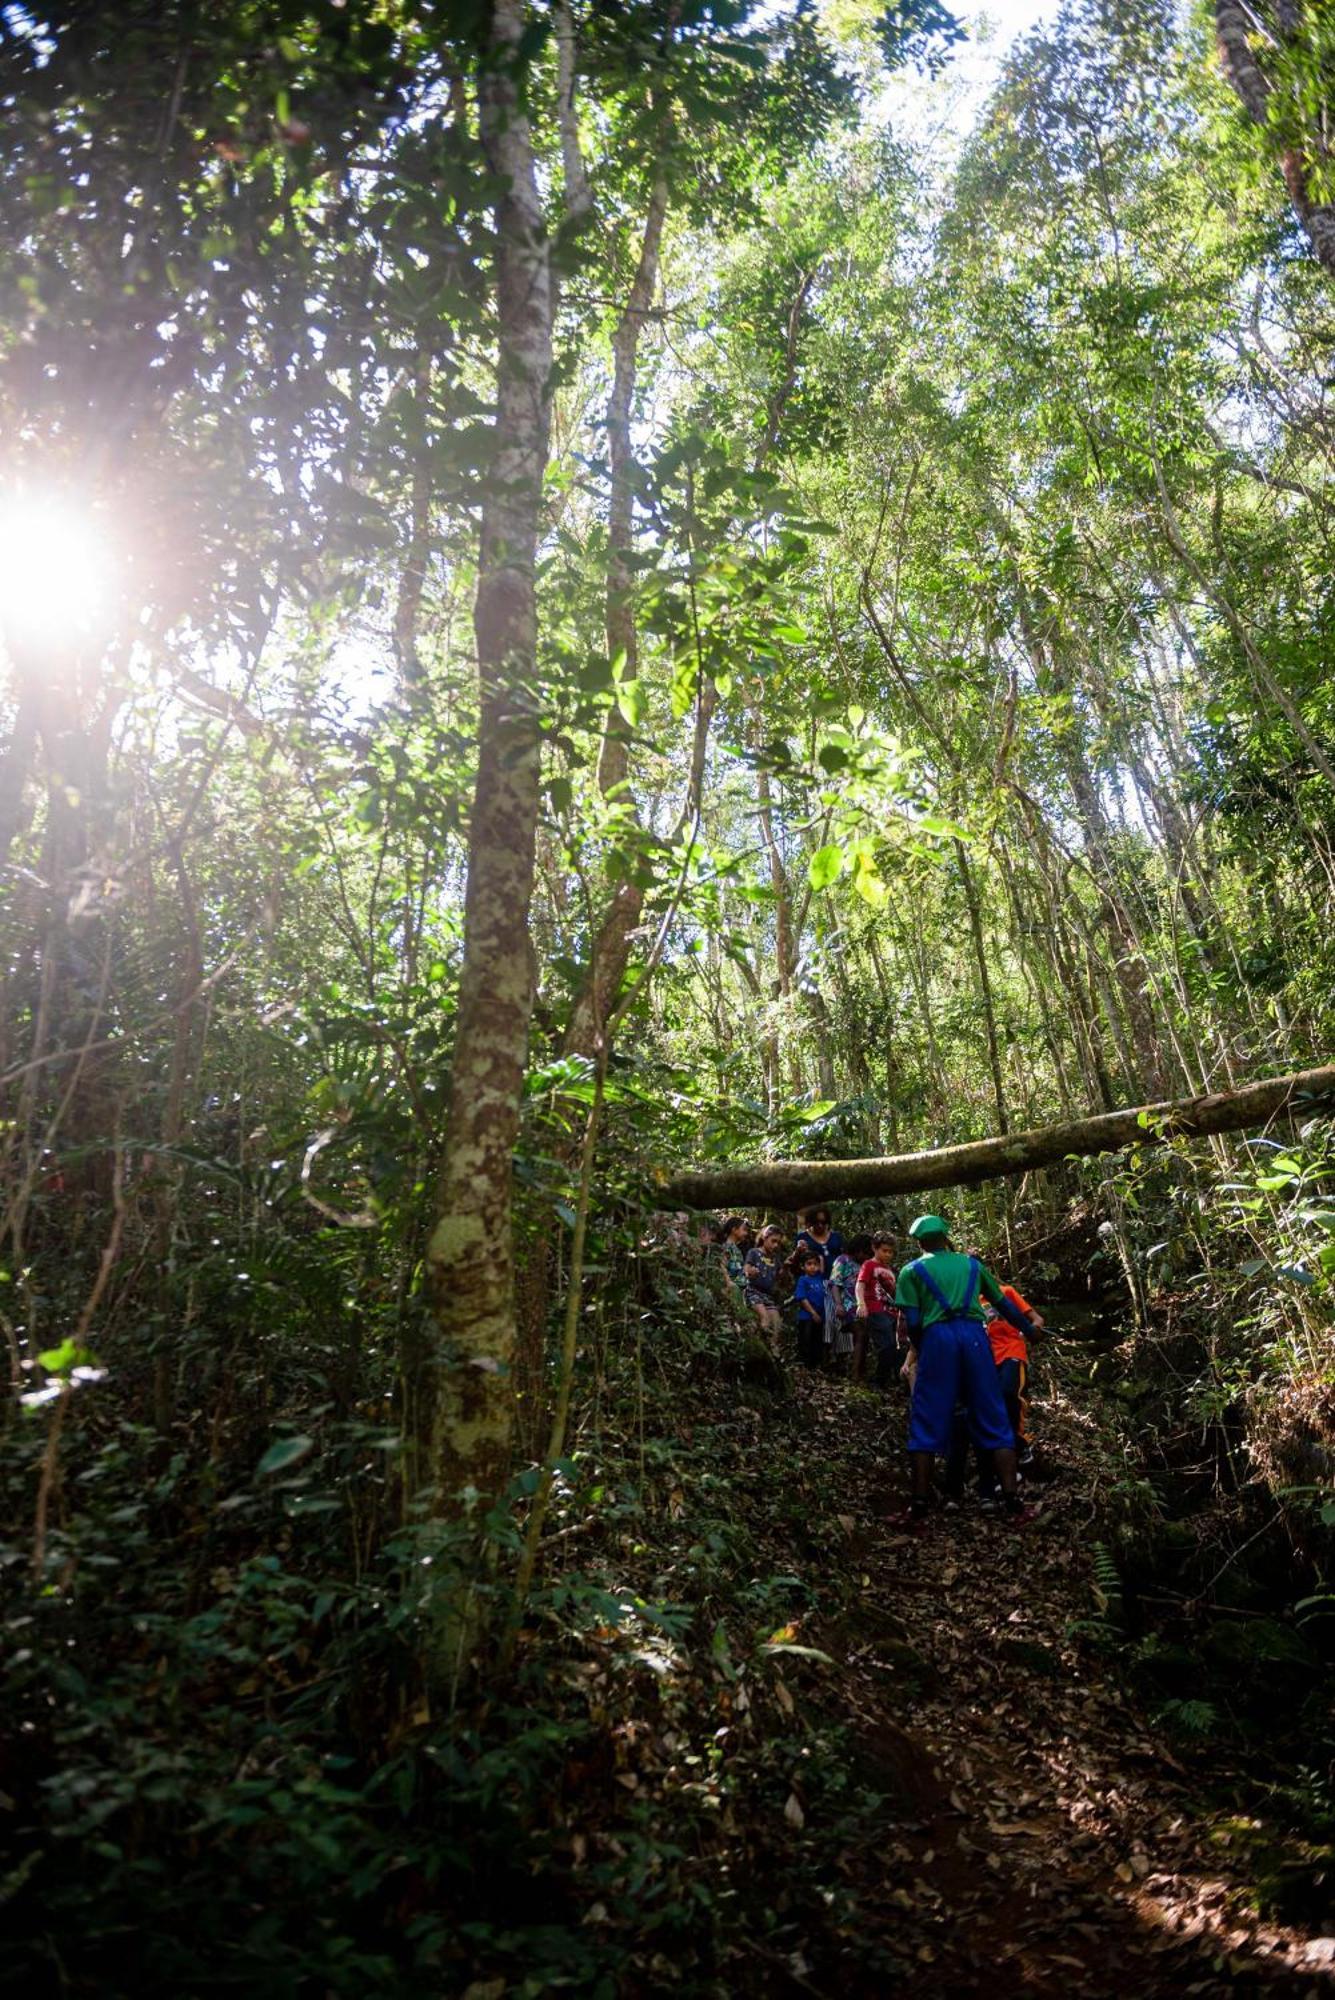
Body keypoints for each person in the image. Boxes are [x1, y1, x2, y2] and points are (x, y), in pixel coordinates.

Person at [894, 1214, 1036, 1527]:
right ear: (946, 1237)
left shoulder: (911, 1271)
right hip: (974, 1337)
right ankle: (1013, 1503)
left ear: (919, 1242)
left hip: (937, 1339)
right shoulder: (972, 1265)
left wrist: (925, 1348)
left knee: (927, 1417)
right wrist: (1029, 1328)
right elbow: (1003, 1304)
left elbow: (913, 1323)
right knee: (994, 1414)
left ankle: (918, 1506)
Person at [855, 1232, 903, 1388]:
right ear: (874, 1248)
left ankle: (895, 1380)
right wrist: (861, 1304)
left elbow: (895, 1293)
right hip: (875, 1310)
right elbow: (860, 1285)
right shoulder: (869, 1265)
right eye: (884, 1250)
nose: (888, 1254)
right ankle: (879, 1380)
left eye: (890, 1251)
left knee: (896, 1347)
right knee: (886, 1345)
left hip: (891, 1312)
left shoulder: (889, 1270)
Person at [743, 1223, 786, 1342]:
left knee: (776, 1321)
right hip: (753, 1292)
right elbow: (746, 1268)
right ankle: (759, 1345)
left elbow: (780, 1275)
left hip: (767, 1295)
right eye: (773, 1241)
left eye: (778, 1242)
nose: (776, 1245)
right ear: (764, 1237)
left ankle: (773, 1348)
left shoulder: (775, 1258)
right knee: (765, 1318)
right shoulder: (754, 1252)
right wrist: (751, 1271)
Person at [830, 1234, 865, 1373]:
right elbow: (834, 1283)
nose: (865, 1256)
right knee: (860, 1333)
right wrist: (838, 1304)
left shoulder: (865, 1264)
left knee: (863, 1336)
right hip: (846, 1303)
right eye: (864, 1252)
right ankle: (854, 1374)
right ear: (857, 1249)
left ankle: (858, 1370)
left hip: (861, 1305)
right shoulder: (842, 1260)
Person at [793, 1250, 827, 1370]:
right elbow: (802, 1298)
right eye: (809, 1264)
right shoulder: (803, 1280)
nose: (813, 1267)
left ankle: (815, 1366)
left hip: (820, 1316)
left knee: (817, 1341)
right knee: (805, 1340)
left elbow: (821, 1265)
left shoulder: (820, 1278)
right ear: (803, 1266)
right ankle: (804, 1366)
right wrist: (813, 1313)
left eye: (815, 1264)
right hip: (807, 1316)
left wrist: (820, 1259)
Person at [791, 1206, 844, 1278]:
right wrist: (798, 1251)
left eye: (823, 1222)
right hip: (812, 1284)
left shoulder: (836, 1237)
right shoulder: (803, 1238)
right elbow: (795, 1265)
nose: (820, 1225)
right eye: (816, 1222)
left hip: (835, 1282)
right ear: (811, 1222)